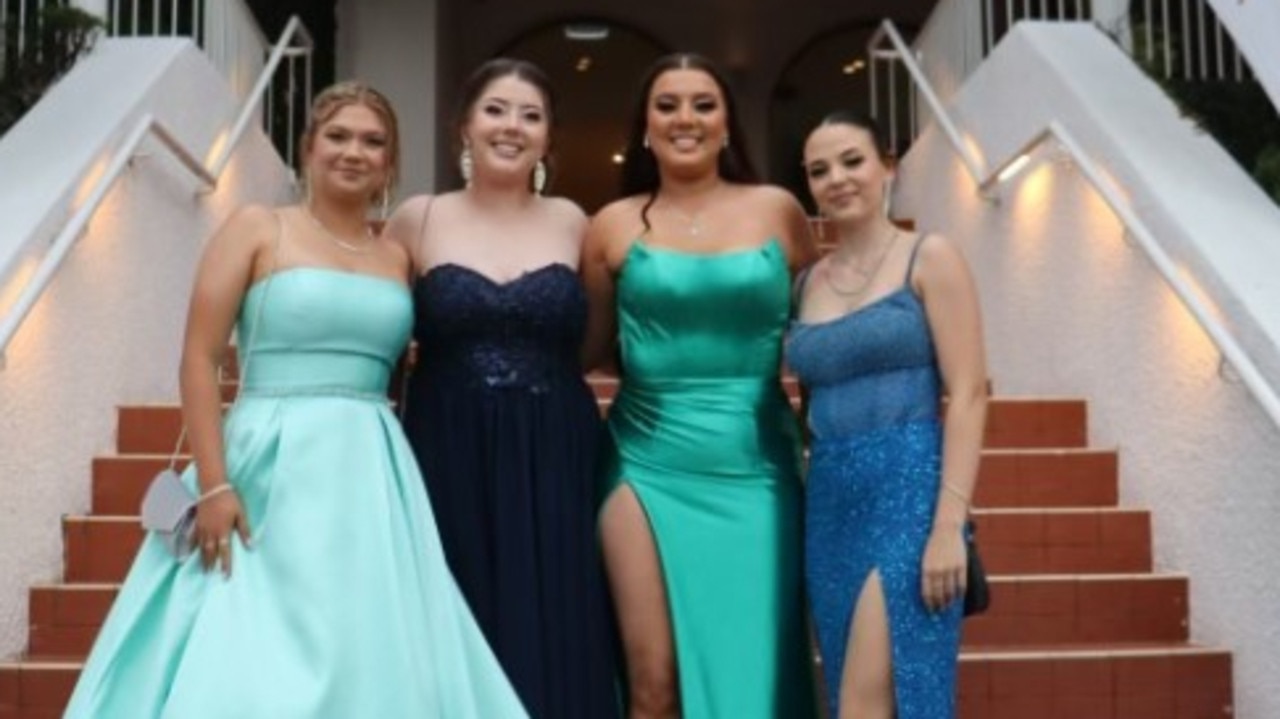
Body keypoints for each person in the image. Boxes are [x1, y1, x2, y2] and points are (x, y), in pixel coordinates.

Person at [64, 81, 527, 719]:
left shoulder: (396, 256)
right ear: (308, 148)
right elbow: (198, 359)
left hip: (370, 468)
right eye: (338, 136)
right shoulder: (258, 229)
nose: (354, 152)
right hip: (266, 459)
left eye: (373, 142)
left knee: (366, 642)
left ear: (389, 163)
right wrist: (216, 486)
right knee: (247, 646)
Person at [580, 52, 818, 719]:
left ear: (727, 124)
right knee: (652, 680)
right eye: (667, 105)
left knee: (758, 676)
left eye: (703, 104)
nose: (685, 118)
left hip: (757, 464)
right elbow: (587, 351)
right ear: (646, 128)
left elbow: (824, 341)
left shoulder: (780, 212)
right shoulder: (613, 223)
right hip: (643, 459)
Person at [382, 58, 619, 719]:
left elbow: (596, 339)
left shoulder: (576, 221)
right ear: (464, 126)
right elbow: (381, 336)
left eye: (530, 114)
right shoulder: (416, 220)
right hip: (444, 441)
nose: (511, 126)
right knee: (457, 606)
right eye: (495, 109)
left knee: (557, 604)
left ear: (548, 138)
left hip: (556, 446)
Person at [784, 111, 988, 719]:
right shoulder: (805, 284)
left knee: (868, 701)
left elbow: (971, 392)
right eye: (819, 171)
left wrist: (949, 524)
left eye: (852, 161)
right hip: (829, 504)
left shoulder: (930, 257)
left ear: (886, 166)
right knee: (849, 685)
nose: (837, 179)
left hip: (910, 494)